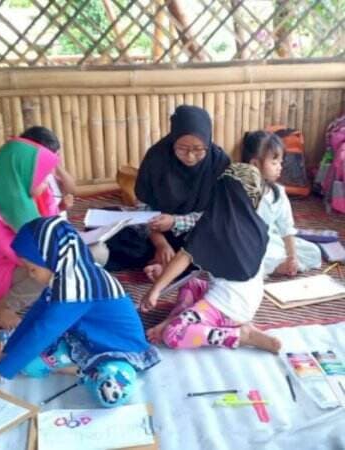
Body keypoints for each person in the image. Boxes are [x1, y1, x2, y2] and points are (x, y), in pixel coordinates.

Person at [0, 216, 160, 407]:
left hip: (117, 349)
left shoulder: (78, 285)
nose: (30, 275)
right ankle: (83, 366)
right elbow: (35, 318)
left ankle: (89, 371)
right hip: (83, 341)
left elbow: (43, 331)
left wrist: (1, 370)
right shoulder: (62, 276)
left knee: (111, 395)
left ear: (51, 258)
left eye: (32, 269)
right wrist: (6, 356)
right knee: (28, 366)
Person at [142, 163, 282, 354]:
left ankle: (241, 336)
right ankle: (174, 318)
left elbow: (184, 257)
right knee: (190, 285)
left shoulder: (212, 225)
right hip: (248, 299)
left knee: (173, 334)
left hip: (229, 308)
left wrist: (155, 290)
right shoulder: (258, 226)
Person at [105, 105, 230, 280]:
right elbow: (143, 205)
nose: (190, 156)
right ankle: (169, 264)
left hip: (196, 232)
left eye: (198, 149)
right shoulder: (157, 157)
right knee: (113, 229)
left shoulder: (219, 162)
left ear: (208, 141)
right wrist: (160, 243)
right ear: (173, 140)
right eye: (182, 148)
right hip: (155, 229)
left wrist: (175, 222)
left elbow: (218, 213)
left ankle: (167, 264)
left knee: (221, 243)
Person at [0, 132, 59, 328]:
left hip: (40, 255)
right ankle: (3, 308)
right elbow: (19, 254)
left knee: (99, 252)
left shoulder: (39, 194)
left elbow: (55, 227)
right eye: (44, 177)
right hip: (11, 266)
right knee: (53, 271)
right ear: (23, 172)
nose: (48, 182)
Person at [241, 130, 321, 276]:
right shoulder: (238, 191)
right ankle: (277, 267)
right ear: (255, 164)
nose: (280, 167)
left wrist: (293, 257)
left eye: (280, 162)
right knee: (245, 259)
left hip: (272, 239)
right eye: (274, 162)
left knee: (313, 251)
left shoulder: (278, 192)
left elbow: (286, 228)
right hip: (246, 243)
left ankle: (286, 265)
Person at [20, 126, 77, 215]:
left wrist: (56, 164)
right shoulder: (29, 181)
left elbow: (71, 189)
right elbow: (37, 220)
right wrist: (60, 208)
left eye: (57, 154)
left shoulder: (50, 172)